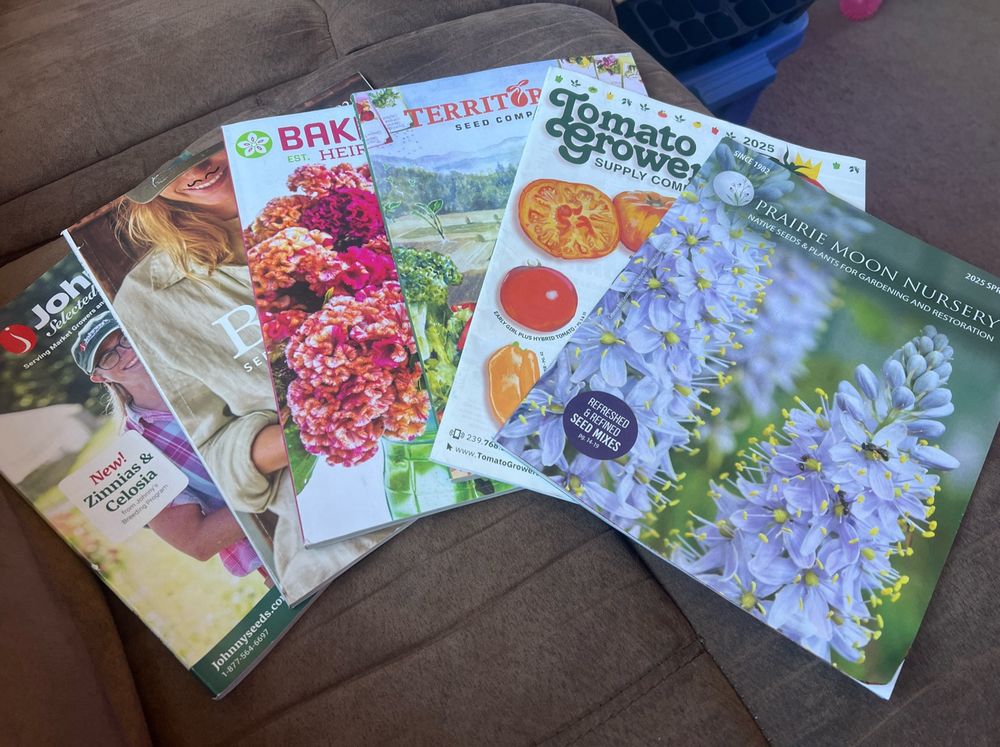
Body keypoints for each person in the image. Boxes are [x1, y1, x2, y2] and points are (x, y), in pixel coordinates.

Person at [106, 143, 381, 602]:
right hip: (340, 531)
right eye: (166, 167)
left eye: (209, 145)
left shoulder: (342, 184)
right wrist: (311, 428)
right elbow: (214, 455)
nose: (196, 168)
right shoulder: (149, 300)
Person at [73, 311, 269, 582]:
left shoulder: (208, 363)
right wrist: (280, 488)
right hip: (275, 548)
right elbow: (198, 541)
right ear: (100, 377)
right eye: (108, 356)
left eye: (125, 338)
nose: (125, 353)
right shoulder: (133, 452)